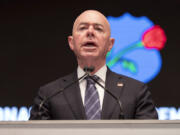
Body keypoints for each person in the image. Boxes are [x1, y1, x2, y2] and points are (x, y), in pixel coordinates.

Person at [29, 10, 158, 120]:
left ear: (110, 44)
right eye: (83, 28)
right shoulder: (49, 94)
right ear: (71, 43)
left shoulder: (136, 92)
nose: (90, 32)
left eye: (98, 28)